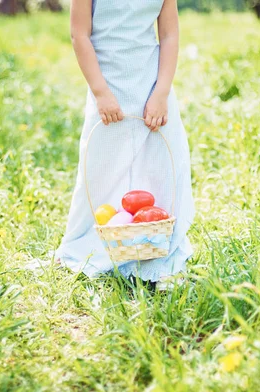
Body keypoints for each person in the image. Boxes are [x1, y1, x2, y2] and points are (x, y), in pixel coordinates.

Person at [55, 0, 195, 290]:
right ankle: (101, 247)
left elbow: (169, 35)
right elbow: (79, 34)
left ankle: (157, 251)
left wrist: (161, 92)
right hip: (108, 84)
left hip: (152, 84)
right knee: (101, 170)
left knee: (162, 167)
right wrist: (100, 92)